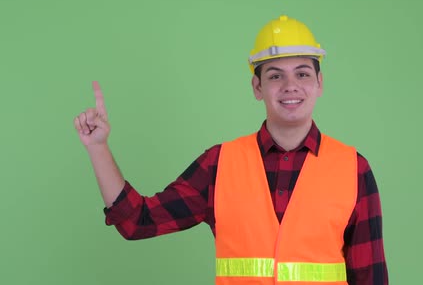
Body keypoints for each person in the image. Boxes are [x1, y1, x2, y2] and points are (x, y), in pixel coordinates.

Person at [74, 15, 388, 284]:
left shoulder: (353, 170)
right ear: (257, 87)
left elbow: (370, 278)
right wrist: (98, 147)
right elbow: (137, 221)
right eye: (275, 75)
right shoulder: (219, 165)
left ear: (319, 83)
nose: (290, 85)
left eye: (302, 73)